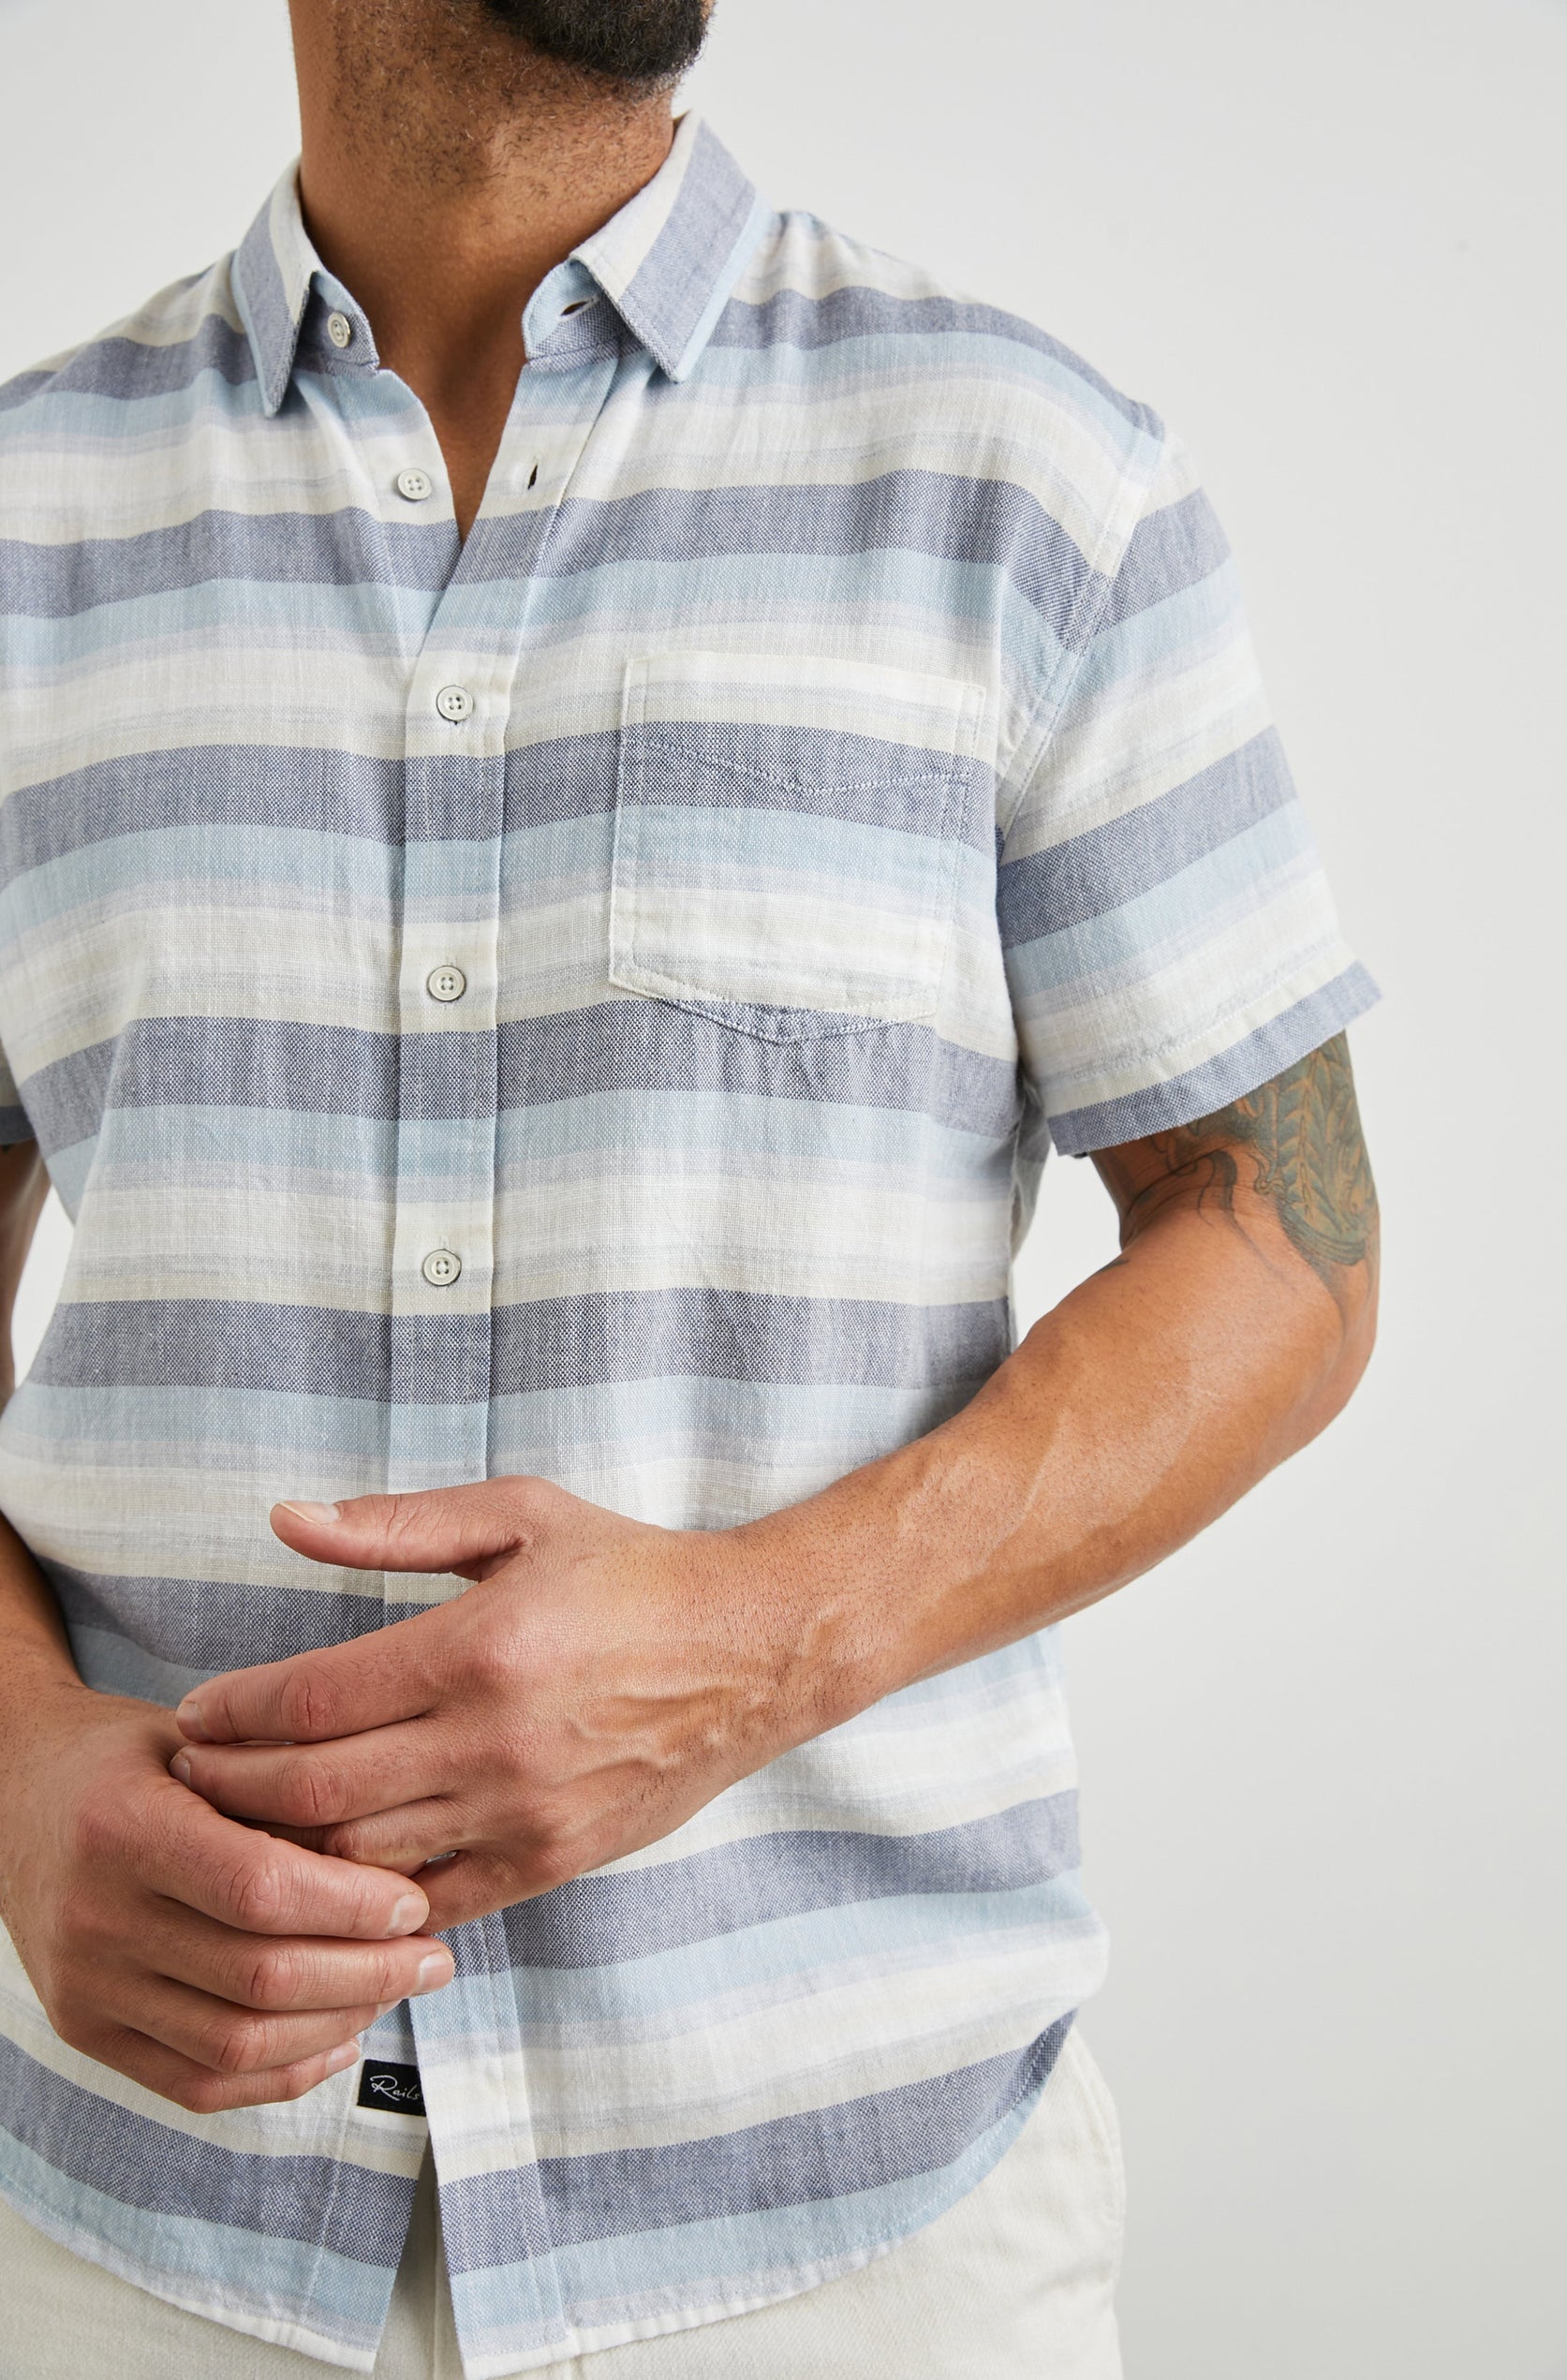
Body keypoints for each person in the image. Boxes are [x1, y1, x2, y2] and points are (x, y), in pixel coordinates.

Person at [0, 1, 1380, 2373]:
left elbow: (1284, 1243)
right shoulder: (21, 528)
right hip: (130, 2229)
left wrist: (759, 1643)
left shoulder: (1029, 480)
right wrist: (12, 1766)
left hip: (850, 2225)